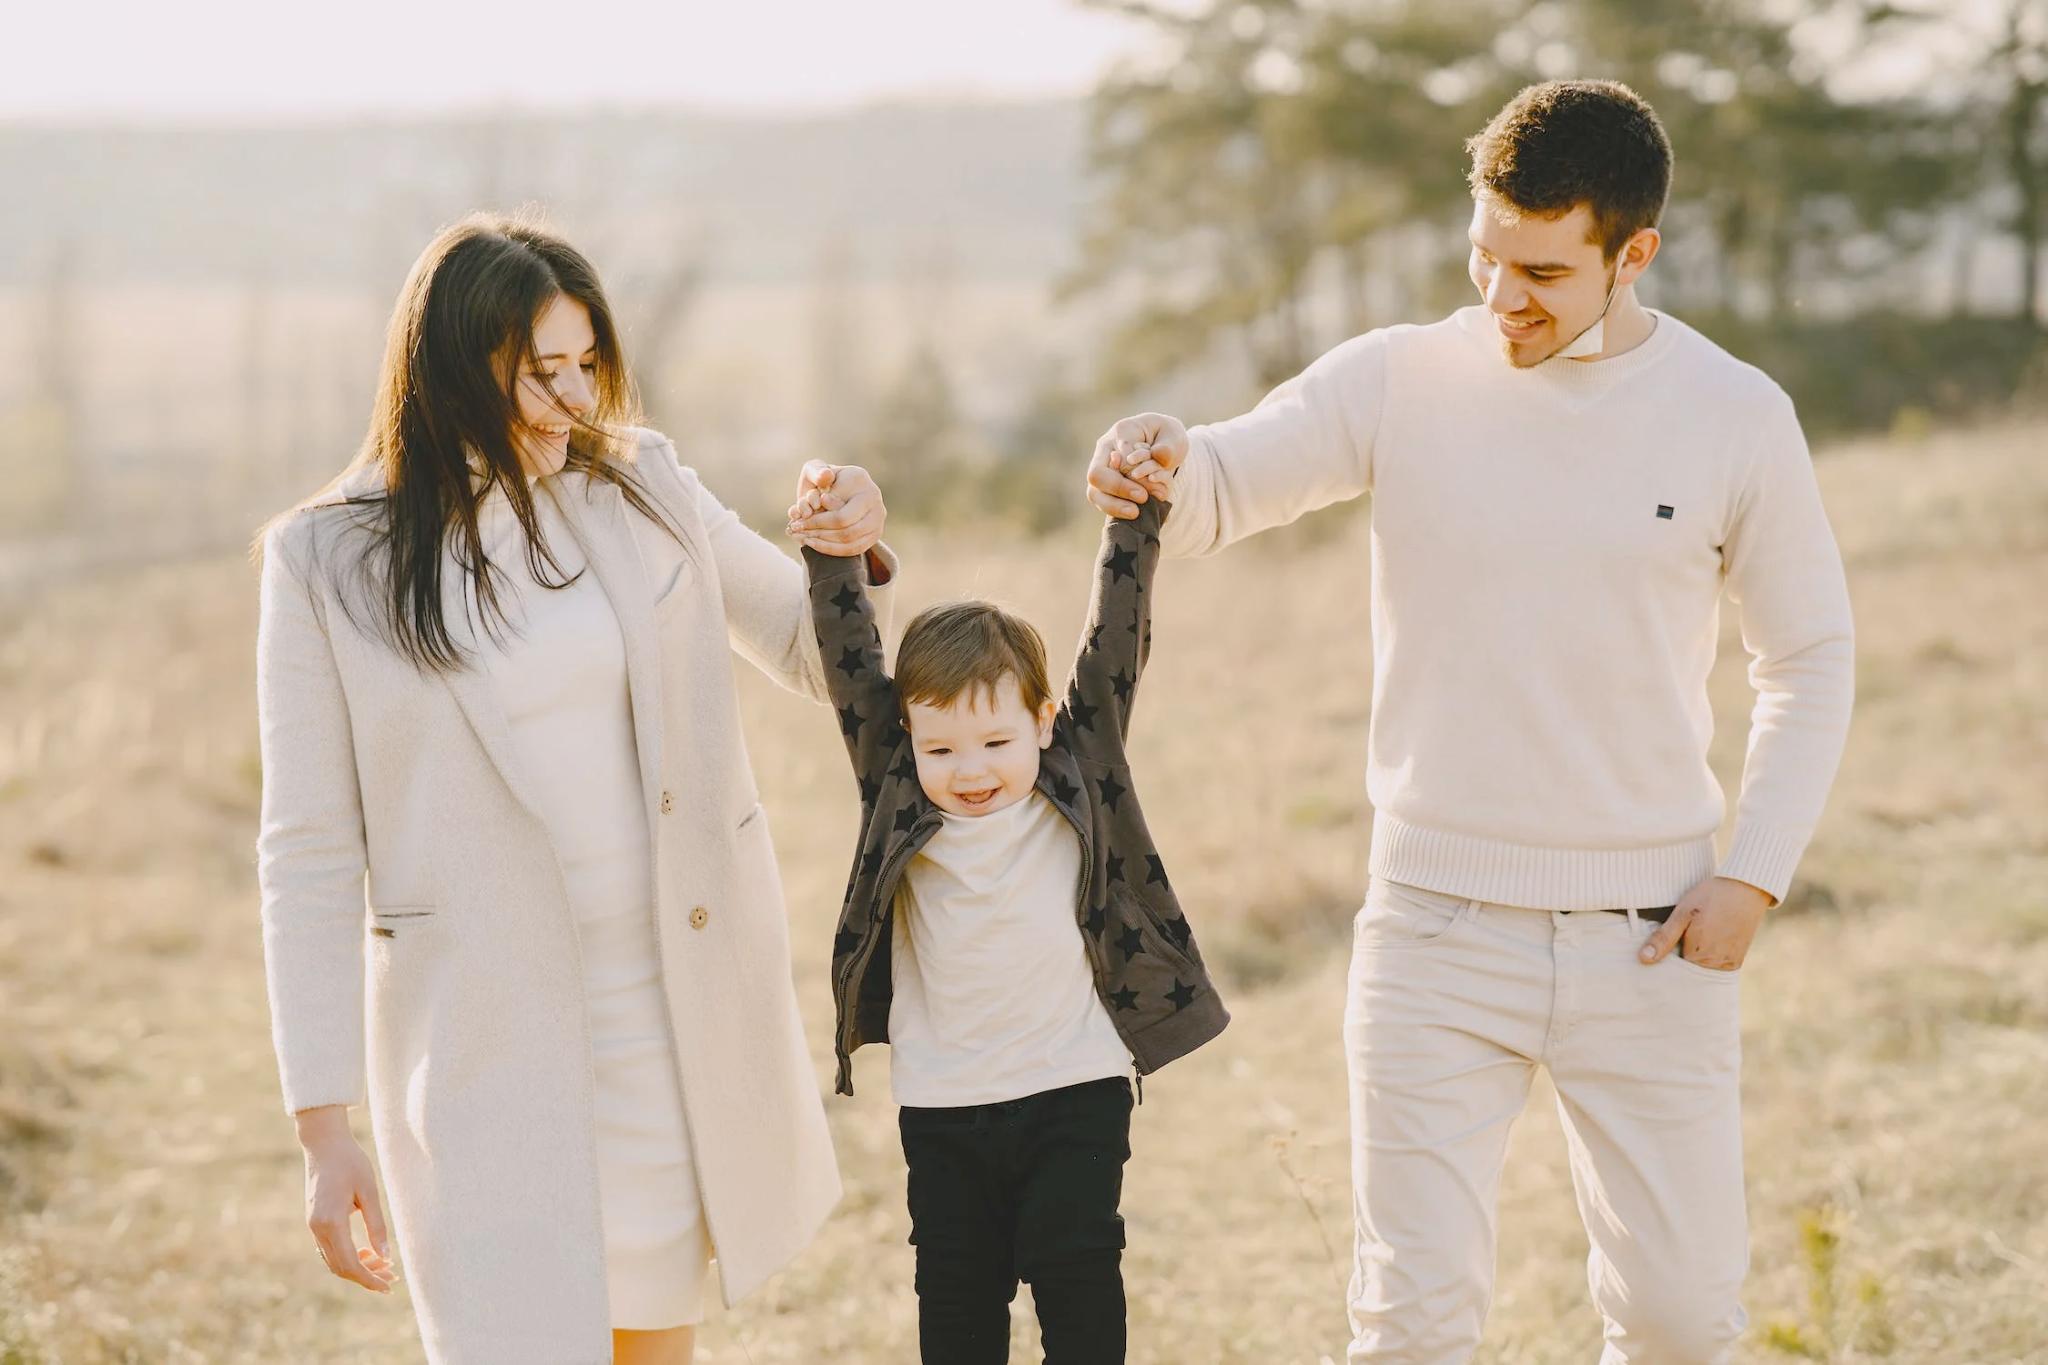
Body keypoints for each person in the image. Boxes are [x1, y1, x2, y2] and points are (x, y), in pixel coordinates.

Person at [1087, 81, 1855, 1363]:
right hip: (1431, 935)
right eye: (1483, 256)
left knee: (1678, 1322)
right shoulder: (1398, 377)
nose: (1502, 296)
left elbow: (1810, 656)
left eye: (1542, 271)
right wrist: (1159, 457)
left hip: (1653, 937)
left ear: (1633, 254)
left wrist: (1753, 876)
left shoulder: (1734, 415)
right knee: (1412, 1325)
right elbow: (1224, 477)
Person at [253, 213, 891, 1365]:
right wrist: (322, 1129)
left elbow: (814, 655)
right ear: (450, 369)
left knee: (652, 1340)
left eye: (585, 363)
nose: (571, 399)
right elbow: (305, 851)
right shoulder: (326, 559)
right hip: (482, 1045)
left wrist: (841, 550)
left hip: (663, 1015)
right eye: (536, 371)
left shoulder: (641, 482)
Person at [789, 481, 1227, 1363]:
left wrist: (1133, 516)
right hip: (944, 1108)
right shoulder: (899, 787)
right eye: (941, 747)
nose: (971, 771)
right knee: (957, 1307)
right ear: (908, 737)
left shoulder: (1080, 766)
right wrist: (834, 553)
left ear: (1041, 720)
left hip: (1075, 1091)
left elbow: (1116, 639)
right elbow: (850, 661)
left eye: (996, 742)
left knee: (1080, 1286)